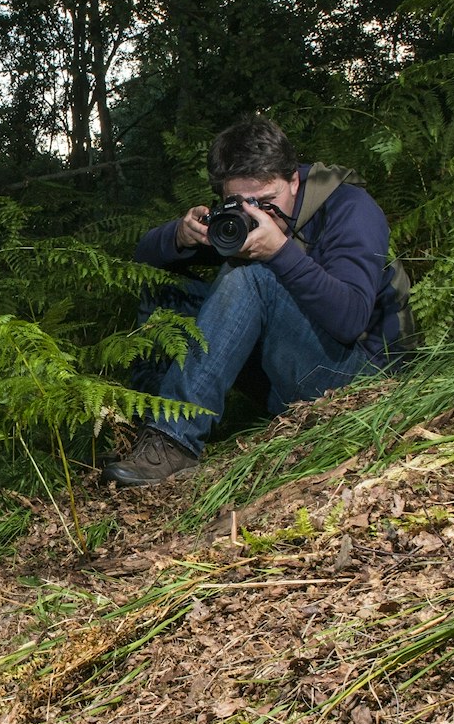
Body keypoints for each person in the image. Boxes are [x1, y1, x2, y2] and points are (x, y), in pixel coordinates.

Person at [103, 114, 412, 487]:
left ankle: (175, 440)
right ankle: (151, 428)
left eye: (267, 201)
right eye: (241, 203)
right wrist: (180, 236)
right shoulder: (240, 217)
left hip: (366, 380)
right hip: (286, 370)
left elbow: (351, 320)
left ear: (294, 180)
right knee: (166, 290)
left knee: (253, 273)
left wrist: (279, 251)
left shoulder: (350, 209)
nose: (256, 215)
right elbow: (144, 264)